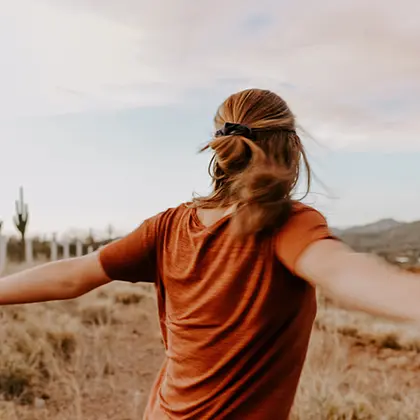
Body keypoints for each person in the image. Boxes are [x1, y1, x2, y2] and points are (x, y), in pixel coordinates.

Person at [0, 88, 419, 419]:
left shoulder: (167, 227)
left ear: (221, 151)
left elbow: (76, 274)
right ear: (291, 149)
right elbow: (342, 273)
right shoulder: (287, 223)